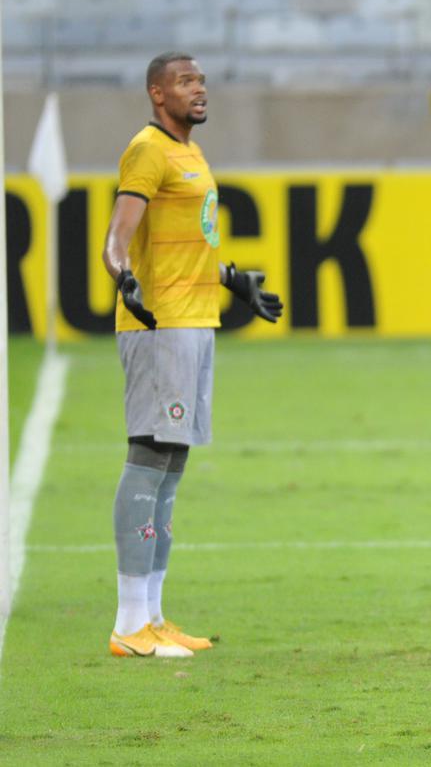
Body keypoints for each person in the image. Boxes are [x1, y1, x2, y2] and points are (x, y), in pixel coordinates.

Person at [101, 51, 284, 658]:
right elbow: (118, 236)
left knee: (171, 465)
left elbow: (192, 239)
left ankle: (152, 616)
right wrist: (121, 276)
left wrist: (232, 279)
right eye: (185, 82)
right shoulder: (147, 149)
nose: (199, 89)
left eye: (202, 80)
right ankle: (129, 624)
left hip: (196, 318)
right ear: (158, 94)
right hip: (161, 325)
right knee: (149, 454)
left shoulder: (190, 152)